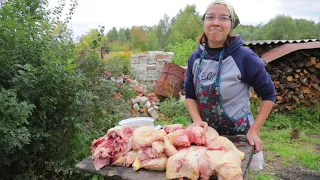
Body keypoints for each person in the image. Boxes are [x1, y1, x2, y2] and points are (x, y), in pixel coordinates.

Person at [184, 0, 276, 153]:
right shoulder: (195, 58)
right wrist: (198, 122)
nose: (215, 23)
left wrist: (254, 130)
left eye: (223, 18)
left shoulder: (244, 57)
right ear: (204, 22)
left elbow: (269, 94)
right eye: (210, 17)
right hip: (203, 138)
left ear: (231, 24)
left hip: (237, 138)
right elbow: (189, 94)